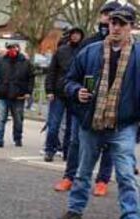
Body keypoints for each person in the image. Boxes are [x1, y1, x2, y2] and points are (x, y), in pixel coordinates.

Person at [56, 5, 140, 219]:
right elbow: (68, 80)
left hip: (123, 125)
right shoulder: (90, 51)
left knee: (126, 176)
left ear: (131, 26)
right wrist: (76, 91)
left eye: (122, 23)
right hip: (91, 123)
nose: (116, 27)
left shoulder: (138, 55)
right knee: (83, 171)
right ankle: (75, 209)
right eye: (113, 22)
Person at [54, 1, 121, 195]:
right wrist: (76, 91)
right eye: (106, 14)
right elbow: (72, 75)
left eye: (113, 15)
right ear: (101, 17)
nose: (108, 18)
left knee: (109, 145)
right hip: (84, 105)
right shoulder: (88, 43)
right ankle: (69, 176)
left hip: (111, 105)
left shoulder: (127, 48)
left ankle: (102, 180)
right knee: (76, 142)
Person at [44, 27, 84, 165]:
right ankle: (49, 150)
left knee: (70, 127)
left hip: (74, 93)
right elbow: (52, 71)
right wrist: (49, 90)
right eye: (73, 34)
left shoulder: (83, 51)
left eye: (78, 34)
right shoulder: (61, 51)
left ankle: (67, 152)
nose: (75, 37)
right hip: (59, 92)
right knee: (54, 124)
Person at [0, 43, 34, 148]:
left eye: (14, 47)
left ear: (18, 49)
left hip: (19, 95)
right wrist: (0, 85)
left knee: (18, 119)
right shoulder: (0, 61)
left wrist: (28, 92)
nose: (12, 50)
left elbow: (31, 78)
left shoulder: (25, 62)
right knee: (0, 118)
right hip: (2, 94)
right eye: (10, 48)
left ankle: (17, 138)